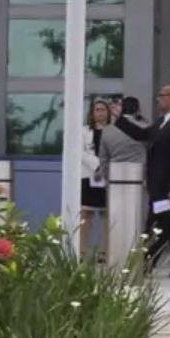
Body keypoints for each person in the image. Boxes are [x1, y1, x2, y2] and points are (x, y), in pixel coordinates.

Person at [116, 85, 170, 279]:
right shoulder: (162, 121)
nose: (158, 99)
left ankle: (143, 266)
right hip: (158, 183)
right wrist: (119, 119)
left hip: (168, 187)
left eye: (161, 96)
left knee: (155, 228)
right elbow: (142, 135)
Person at [79, 99, 113, 256]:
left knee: (106, 214)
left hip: (108, 176)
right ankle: (82, 250)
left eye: (103, 109)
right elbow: (80, 152)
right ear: (92, 113)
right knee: (86, 213)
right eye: (97, 110)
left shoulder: (113, 131)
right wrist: (98, 165)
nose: (100, 113)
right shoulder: (84, 131)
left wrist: (104, 167)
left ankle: (105, 251)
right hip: (89, 175)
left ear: (108, 112)